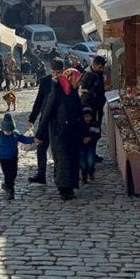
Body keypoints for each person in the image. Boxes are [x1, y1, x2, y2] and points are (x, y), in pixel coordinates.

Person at [36, 67, 86, 200]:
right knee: (63, 160)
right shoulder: (56, 93)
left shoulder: (73, 92)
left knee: (72, 160)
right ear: (70, 78)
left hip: (73, 133)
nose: (79, 82)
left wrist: (84, 131)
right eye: (77, 79)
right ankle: (63, 189)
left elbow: (79, 113)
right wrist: (39, 134)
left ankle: (69, 187)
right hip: (60, 133)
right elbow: (46, 114)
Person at [27, 58, 64, 184]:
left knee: (57, 150)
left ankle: (58, 176)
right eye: (54, 72)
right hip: (45, 120)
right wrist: (32, 118)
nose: (56, 75)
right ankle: (41, 173)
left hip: (59, 121)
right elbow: (38, 101)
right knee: (41, 147)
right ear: (51, 71)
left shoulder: (67, 81)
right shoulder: (44, 82)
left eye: (59, 72)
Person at [0, 114, 35, 200]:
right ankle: (11, 190)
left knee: (13, 173)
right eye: (6, 131)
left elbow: (24, 139)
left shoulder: (15, 134)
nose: (8, 133)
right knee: (7, 174)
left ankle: (7, 185)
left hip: (13, 158)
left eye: (10, 131)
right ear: (3, 129)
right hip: (3, 159)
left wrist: (34, 139)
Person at [80, 55, 108, 162]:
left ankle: (93, 152)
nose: (102, 70)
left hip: (98, 106)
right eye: (100, 67)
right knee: (91, 131)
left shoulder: (98, 73)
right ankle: (89, 154)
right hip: (92, 108)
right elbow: (85, 93)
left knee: (95, 131)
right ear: (95, 65)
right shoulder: (87, 75)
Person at [80, 106, 102, 183]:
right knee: (82, 162)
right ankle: (84, 176)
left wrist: (90, 138)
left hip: (91, 146)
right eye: (86, 116)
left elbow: (98, 134)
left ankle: (90, 171)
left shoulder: (94, 124)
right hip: (81, 146)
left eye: (89, 116)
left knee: (90, 161)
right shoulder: (79, 125)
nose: (88, 118)